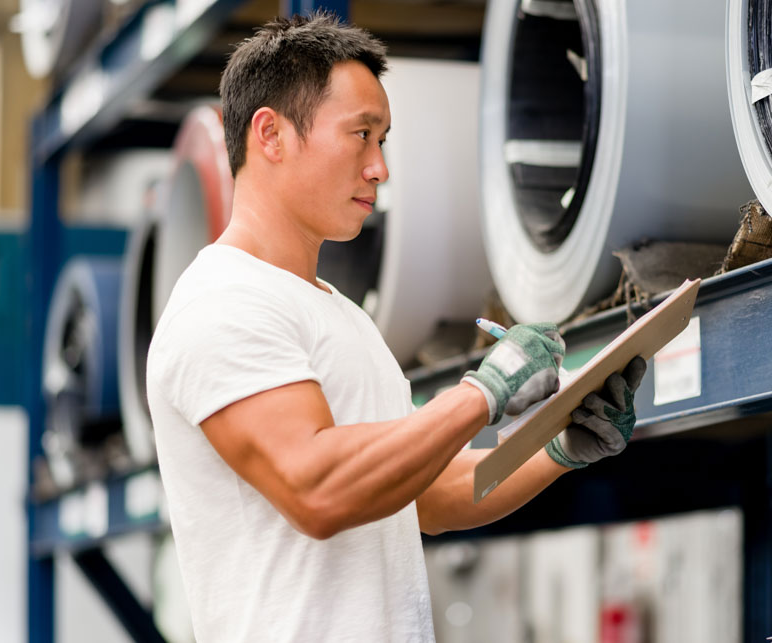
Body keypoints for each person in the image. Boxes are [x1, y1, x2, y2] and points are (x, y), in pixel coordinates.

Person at [146, 11, 646, 642]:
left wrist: (557, 448)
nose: (380, 168)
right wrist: (482, 392)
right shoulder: (222, 304)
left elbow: (429, 496)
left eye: (383, 141)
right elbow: (316, 487)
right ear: (270, 134)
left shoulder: (340, 315)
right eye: (362, 136)